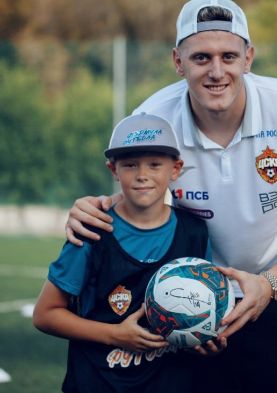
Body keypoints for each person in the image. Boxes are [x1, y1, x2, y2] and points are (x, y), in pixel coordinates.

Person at [65, 0, 277, 392]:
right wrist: (96, 208)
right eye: (201, 58)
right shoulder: (153, 120)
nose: (217, 72)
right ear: (178, 62)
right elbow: (137, 196)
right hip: (191, 297)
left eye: (228, 56)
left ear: (248, 58)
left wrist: (269, 283)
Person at [33, 113, 213, 393]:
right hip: (99, 382)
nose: (142, 174)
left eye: (155, 164)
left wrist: (204, 338)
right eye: (130, 165)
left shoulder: (195, 232)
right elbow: (45, 314)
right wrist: (115, 334)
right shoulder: (92, 231)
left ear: (175, 169)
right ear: (113, 170)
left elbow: (203, 309)